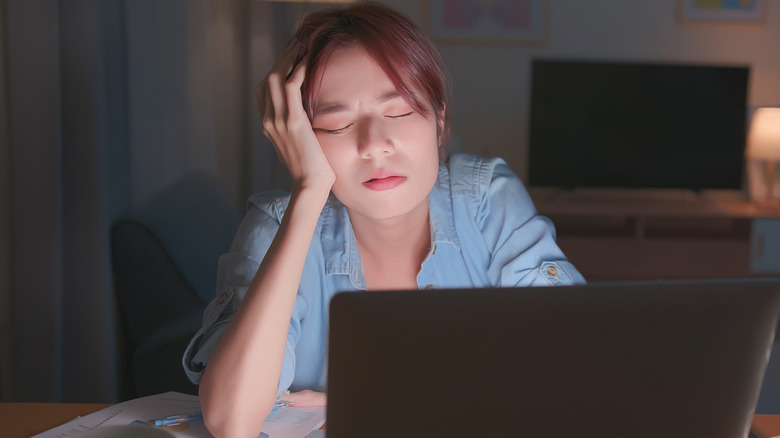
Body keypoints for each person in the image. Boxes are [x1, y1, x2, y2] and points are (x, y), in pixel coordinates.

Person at [182, 2, 585, 436]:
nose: (375, 146)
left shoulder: (486, 200)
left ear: (440, 121)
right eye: (336, 124)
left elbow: (579, 364)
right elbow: (231, 421)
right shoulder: (274, 226)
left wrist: (377, 399)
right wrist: (309, 189)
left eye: (398, 113)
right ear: (297, 139)